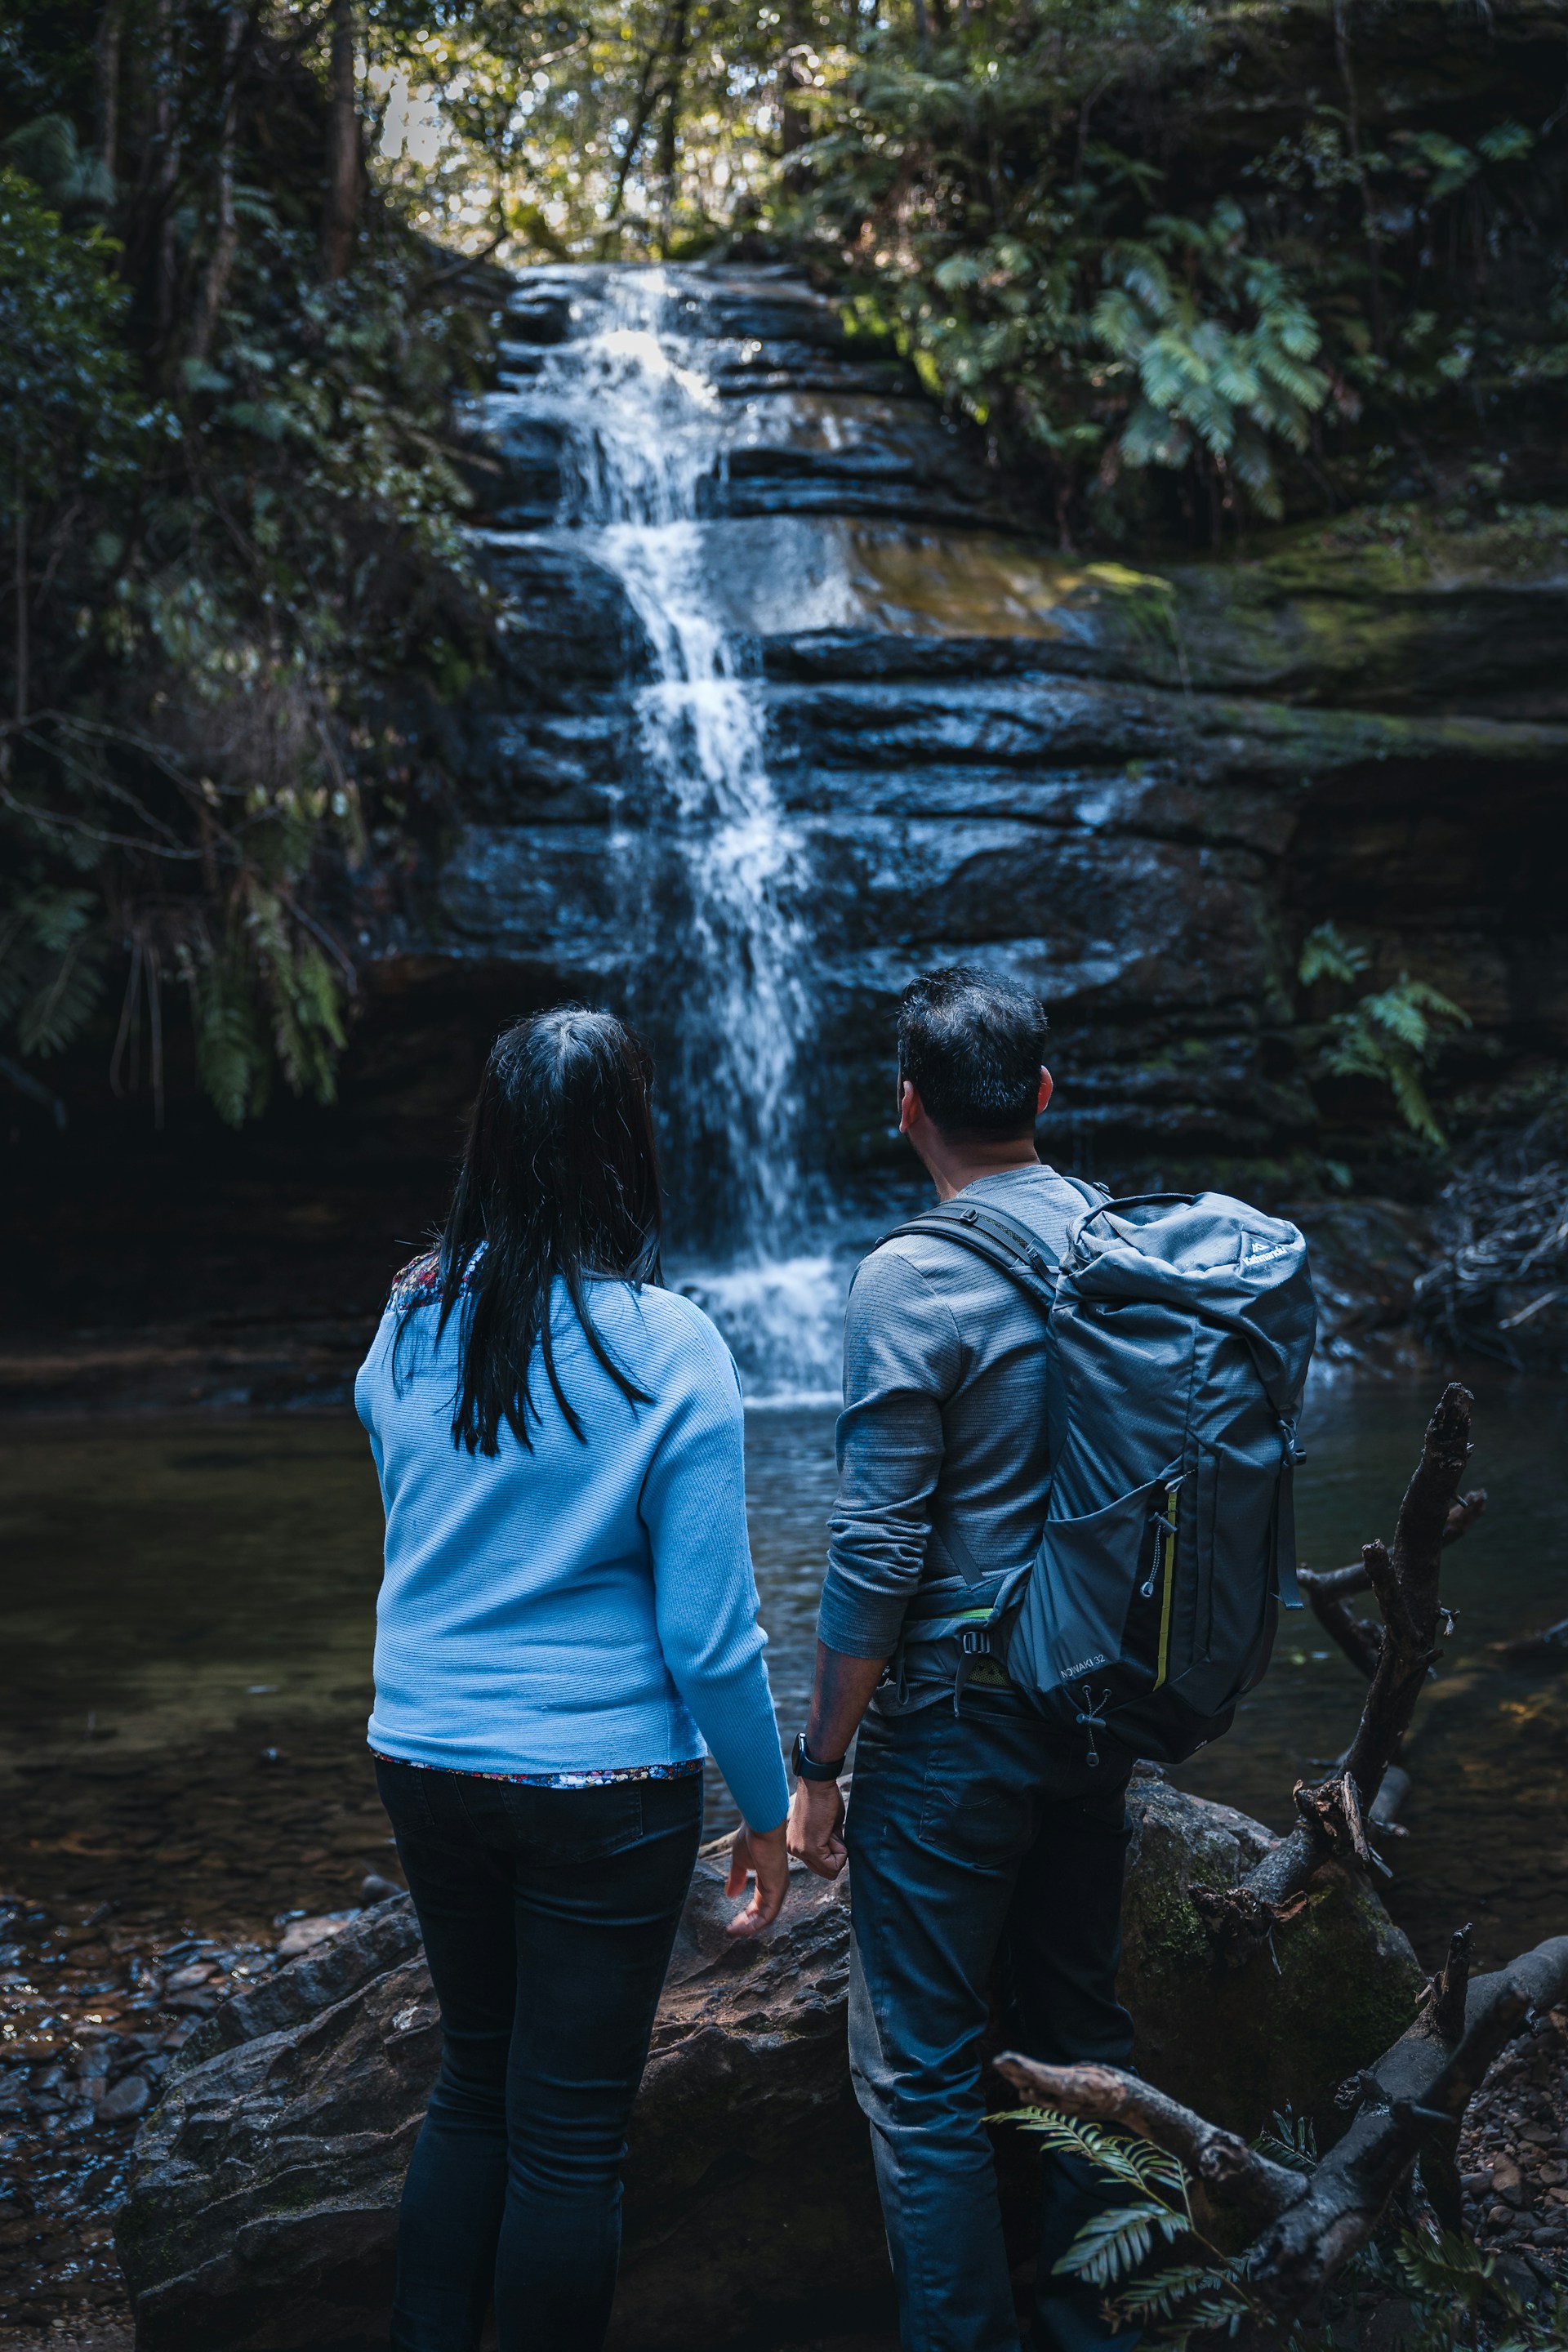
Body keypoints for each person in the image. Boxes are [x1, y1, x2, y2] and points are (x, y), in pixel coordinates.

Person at [356, 1007, 791, 2352]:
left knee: (471, 2086)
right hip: (599, 1788)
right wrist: (770, 1813)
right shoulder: (670, 1346)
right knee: (567, 2142)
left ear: (489, 1146)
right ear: (625, 1151)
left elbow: (406, 1497)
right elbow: (711, 1635)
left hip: (421, 1753)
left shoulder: (413, 1322)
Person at [787, 965, 1138, 2352]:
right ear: (1045, 1097)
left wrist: (820, 1761)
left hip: (956, 1712)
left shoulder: (909, 1276)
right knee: (1084, 2038)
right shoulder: (1124, 1243)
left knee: (921, 2074)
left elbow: (877, 1554)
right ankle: (1100, 2321)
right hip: (1100, 1692)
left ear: (907, 1108)